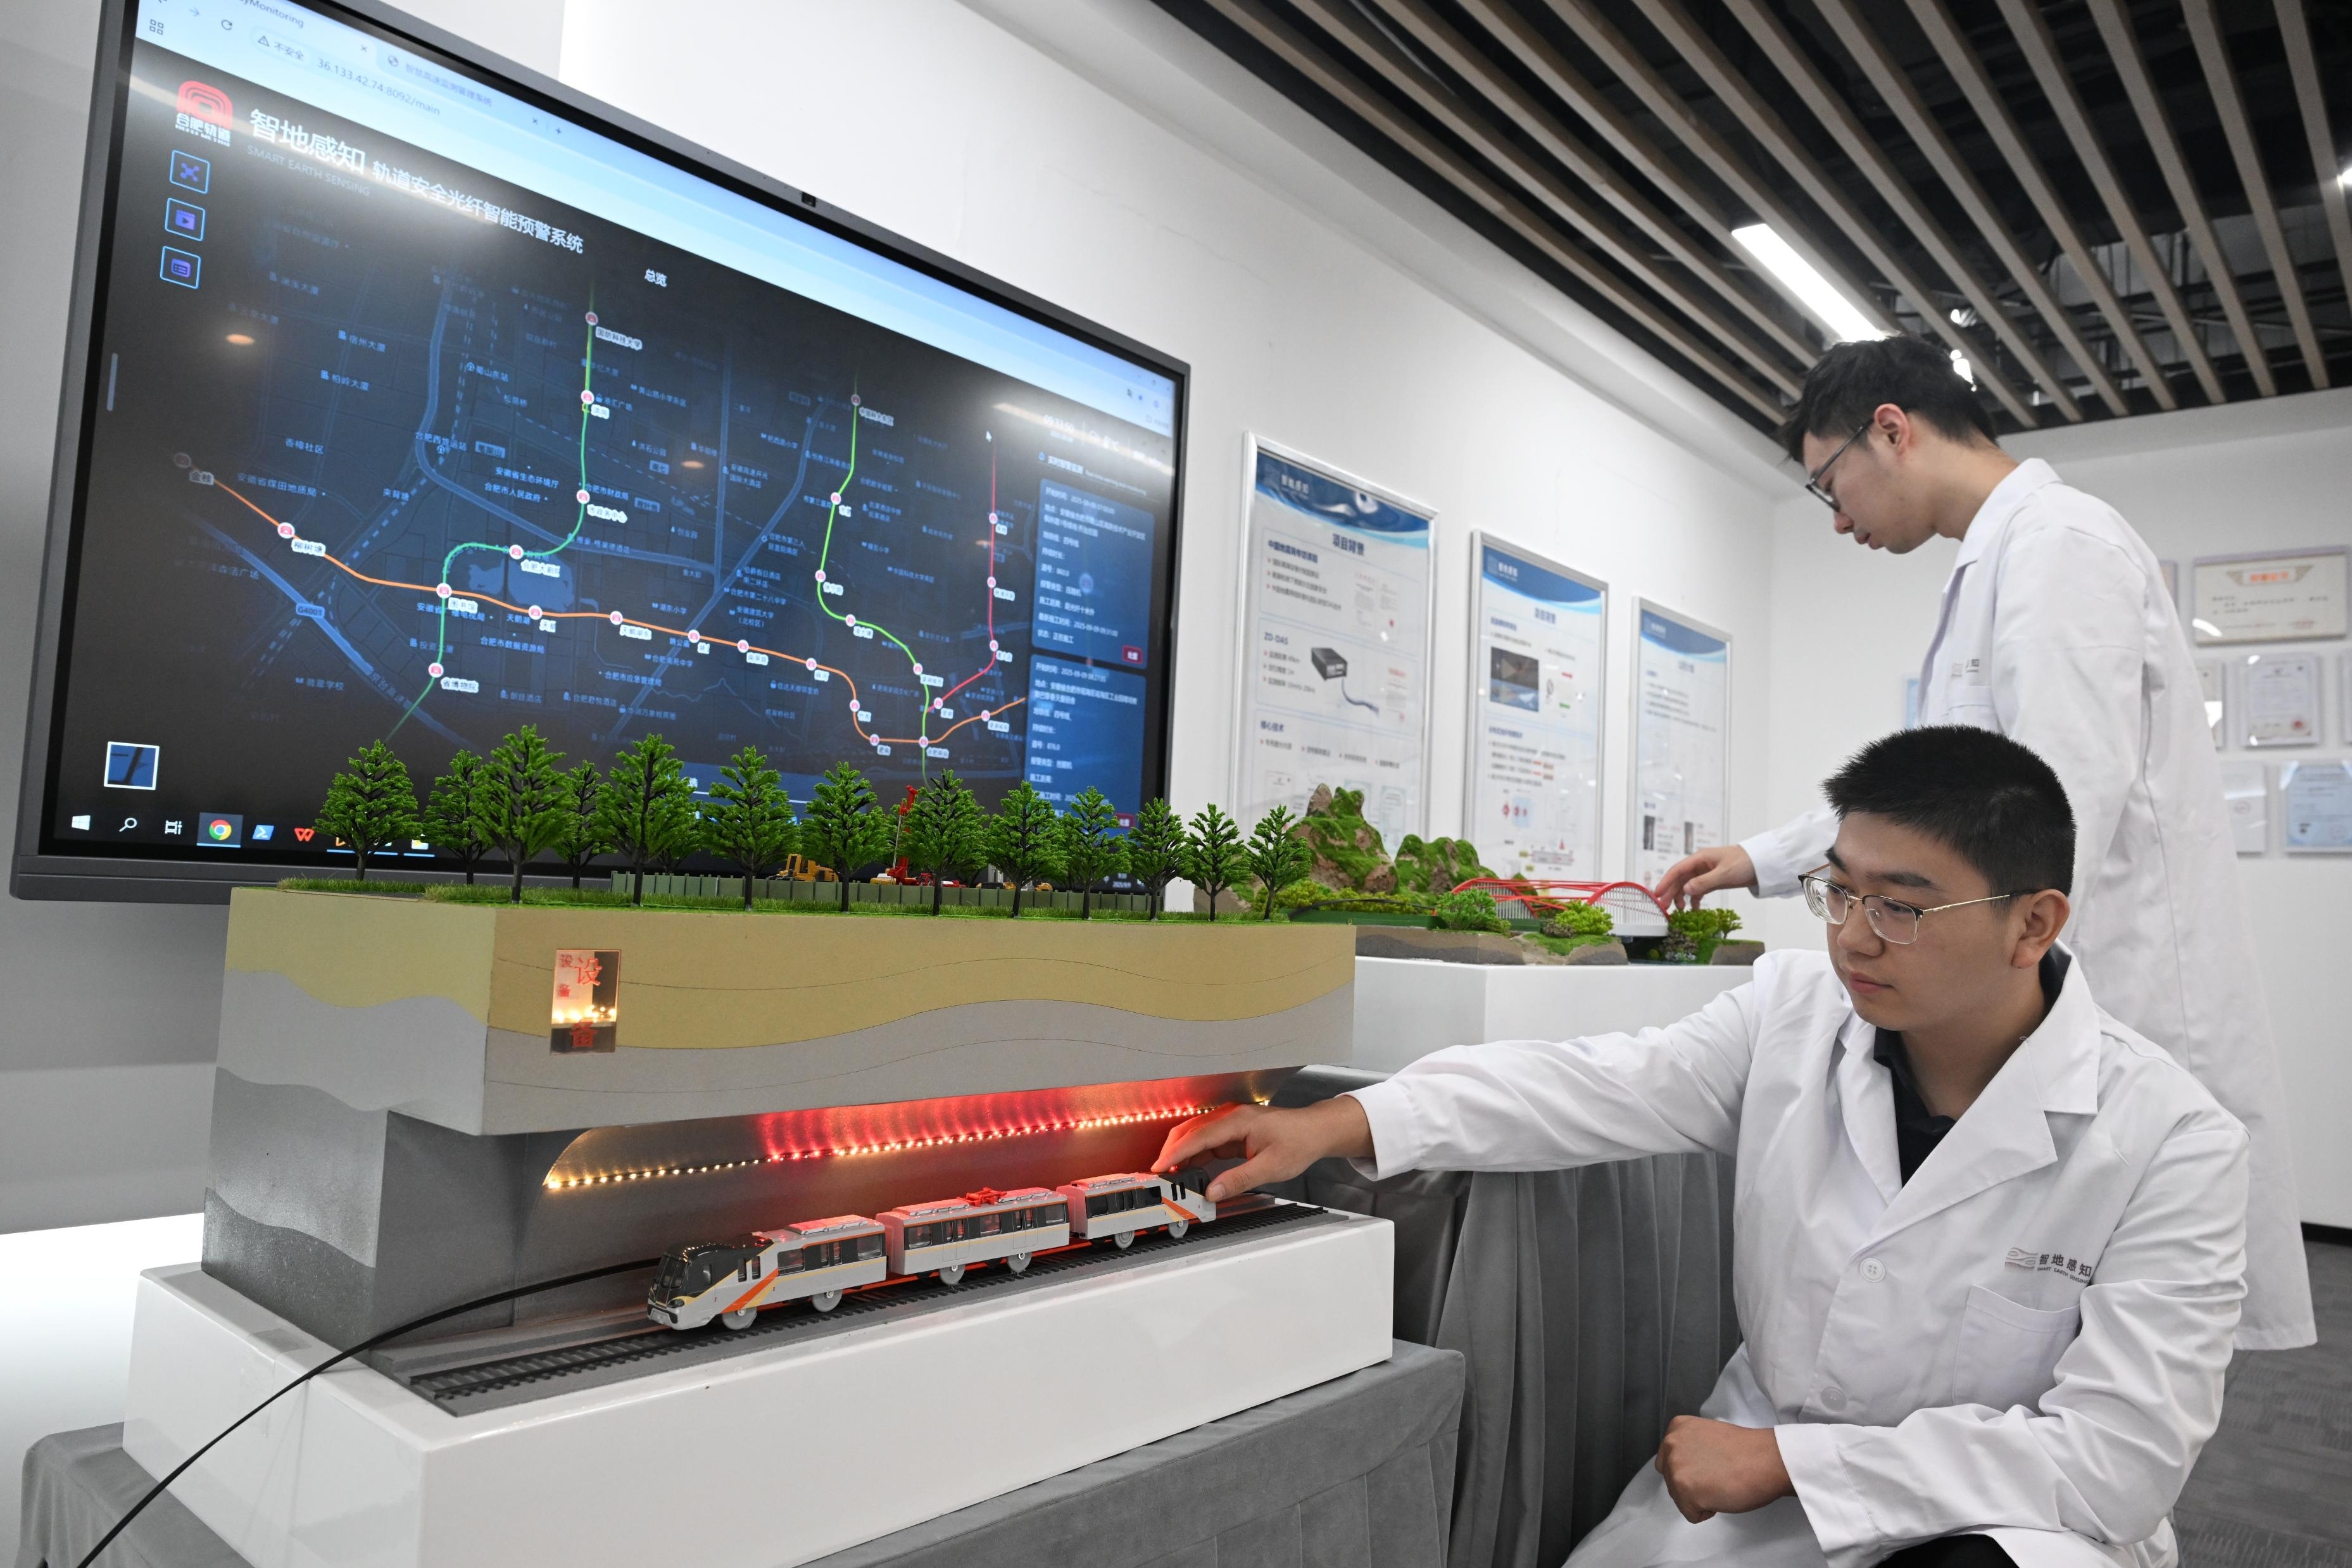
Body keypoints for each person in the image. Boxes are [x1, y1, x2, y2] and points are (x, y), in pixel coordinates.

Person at [1158, 728, 2246, 1568]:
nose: (1851, 936)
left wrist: (1796, 1462)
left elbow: (2116, 1462)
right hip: (1751, 1489)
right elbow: (1594, 1082)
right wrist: (1337, 1121)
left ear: (2034, 924)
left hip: (2010, 1525)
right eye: (1839, 889)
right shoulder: (1793, 1016)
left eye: (1901, 908)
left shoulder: (2171, 1142)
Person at [1653, 337, 2310, 1352]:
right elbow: (1945, 805)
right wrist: (1762, 858)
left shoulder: (2060, 546)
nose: (1838, 519)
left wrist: (1961, 999)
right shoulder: (2003, 561)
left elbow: (2051, 810)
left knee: (2113, 1348)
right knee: (2030, 1336)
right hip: (2041, 997)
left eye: (1830, 483)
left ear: (1891, 430)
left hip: (2105, 1002)